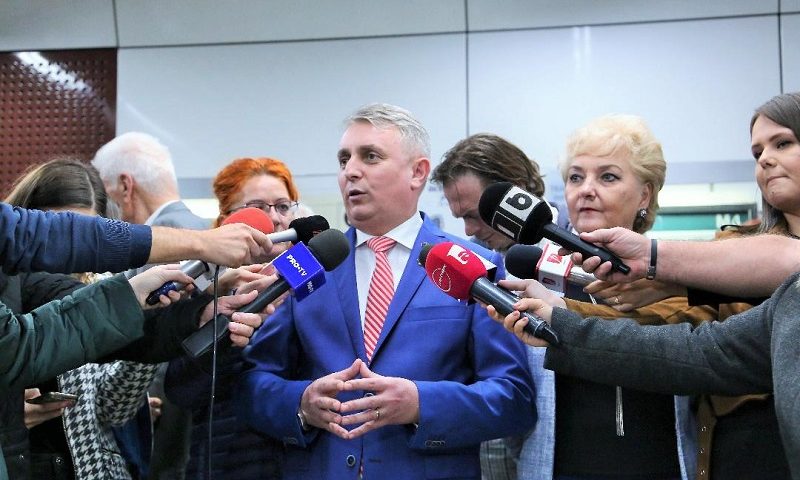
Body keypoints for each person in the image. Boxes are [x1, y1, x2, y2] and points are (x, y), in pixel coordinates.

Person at [490, 93, 800, 479]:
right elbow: (702, 350)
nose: (586, 190)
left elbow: (685, 338)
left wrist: (655, 269)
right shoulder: (530, 273)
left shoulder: (697, 269)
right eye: (575, 177)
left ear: (645, 194)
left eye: (608, 176)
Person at [238, 103, 535, 479]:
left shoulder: (474, 264)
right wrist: (300, 405)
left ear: (417, 172)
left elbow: (514, 398)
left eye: (370, 156)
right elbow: (252, 384)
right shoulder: (304, 265)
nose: (350, 171)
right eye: (344, 159)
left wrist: (421, 404)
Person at [165, 157, 300, 479]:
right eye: (258, 208)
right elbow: (181, 390)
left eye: (283, 207)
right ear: (227, 221)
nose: (275, 219)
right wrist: (229, 328)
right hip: (223, 461)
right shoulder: (205, 288)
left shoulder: (314, 281)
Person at [92, 131, 211, 479]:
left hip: (165, 437)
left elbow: (154, 349)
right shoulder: (199, 231)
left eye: (102, 195)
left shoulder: (161, 241)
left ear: (125, 186)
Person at [431, 132, 546, 479]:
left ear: (515, 194)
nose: (469, 230)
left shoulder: (577, 259)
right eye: (460, 218)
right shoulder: (475, 267)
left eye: (475, 214)